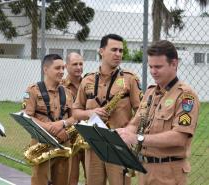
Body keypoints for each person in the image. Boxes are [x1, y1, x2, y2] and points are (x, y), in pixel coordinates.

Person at [117, 40, 200, 185]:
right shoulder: (150, 92)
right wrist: (124, 134)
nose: (153, 71)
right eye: (150, 66)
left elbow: (179, 138)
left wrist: (138, 138)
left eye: (158, 67)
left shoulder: (186, 96)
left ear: (174, 64)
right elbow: (136, 123)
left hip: (169, 174)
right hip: (145, 171)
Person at [72, 34, 142, 185]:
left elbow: (141, 111)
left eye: (121, 50)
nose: (118, 54)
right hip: (94, 144)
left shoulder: (130, 79)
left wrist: (131, 131)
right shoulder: (87, 79)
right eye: (114, 50)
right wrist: (90, 113)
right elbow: (75, 111)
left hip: (119, 145)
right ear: (101, 51)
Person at [22, 54, 75, 185]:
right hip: (41, 145)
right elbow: (27, 116)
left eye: (63, 68)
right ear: (45, 70)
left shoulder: (68, 93)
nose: (62, 71)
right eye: (57, 68)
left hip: (63, 144)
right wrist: (49, 128)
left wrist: (63, 124)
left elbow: (75, 117)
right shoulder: (32, 90)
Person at [62, 52, 87, 185]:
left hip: (89, 137)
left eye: (81, 64)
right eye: (75, 64)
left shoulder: (89, 83)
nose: (78, 67)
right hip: (70, 138)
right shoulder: (61, 86)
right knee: (71, 178)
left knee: (93, 176)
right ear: (66, 66)